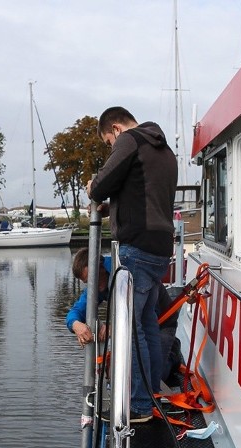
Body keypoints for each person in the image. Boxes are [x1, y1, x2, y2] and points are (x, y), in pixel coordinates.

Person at [85, 107, 177, 421]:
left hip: (137, 246)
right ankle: (150, 396)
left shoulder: (130, 141)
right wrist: (113, 208)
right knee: (148, 325)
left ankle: (138, 406)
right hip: (161, 247)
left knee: (133, 329)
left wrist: (92, 189)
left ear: (115, 128)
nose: (112, 146)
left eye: (109, 141)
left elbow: (102, 184)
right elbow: (143, 195)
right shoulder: (164, 150)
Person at [66, 248, 182, 419]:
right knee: (139, 372)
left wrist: (113, 326)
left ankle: (173, 355)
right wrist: (76, 325)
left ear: (101, 268)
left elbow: (138, 309)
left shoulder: (123, 268)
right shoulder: (98, 283)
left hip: (163, 322)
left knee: (155, 374)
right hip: (138, 325)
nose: (93, 287)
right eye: (87, 282)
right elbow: (76, 310)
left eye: (94, 280)